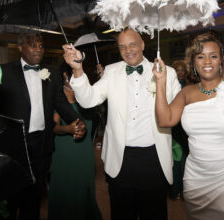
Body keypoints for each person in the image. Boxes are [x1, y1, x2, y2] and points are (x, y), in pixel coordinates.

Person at [63, 28, 181, 220]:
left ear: (142, 44)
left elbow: (175, 113)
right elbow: (88, 100)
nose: (128, 50)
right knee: (121, 213)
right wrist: (77, 69)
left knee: (154, 214)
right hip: (120, 158)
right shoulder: (111, 71)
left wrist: (160, 82)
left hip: (154, 158)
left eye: (133, 44)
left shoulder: (168, 73)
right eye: (122, 47)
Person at [154, 32, 224, 220]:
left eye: (213, 56)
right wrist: (160, 82)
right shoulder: (186, 93)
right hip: (196, 182)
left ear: (221, 60)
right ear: (194, 62)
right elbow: (165, 120)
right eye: (200, 56)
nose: (207, 61)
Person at [0, 32, 86, 220]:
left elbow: (61, 104)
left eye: (41, 45)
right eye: (33, 44)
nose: (39, 48)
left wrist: (77, 121)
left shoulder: (52, 74)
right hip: (12, 149)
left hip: (41, 147)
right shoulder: (2, 72)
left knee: (33, 200)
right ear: (20, 47)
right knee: (9, 200)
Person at [48, 62, 102, 220]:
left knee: (84, 191)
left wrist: (103, 77)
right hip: (65, 154)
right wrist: (69, 129)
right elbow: (54, 126)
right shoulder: (58, 98)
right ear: (65, 76)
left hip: (85, 153)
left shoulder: (85, 96)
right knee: (67, 192)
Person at [170, 60, 189, 200]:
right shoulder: (168, 86)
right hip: (172, 127)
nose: (181, 73)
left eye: (183, 70)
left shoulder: (189, 87)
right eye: (178, 70)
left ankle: (184, 190)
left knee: (185, 160)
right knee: (176, 159)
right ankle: (174, 189)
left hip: (186, 128)